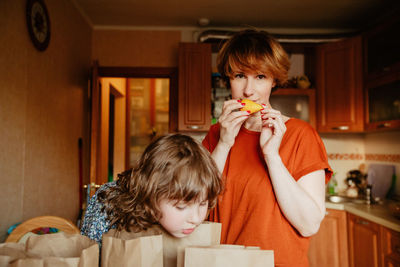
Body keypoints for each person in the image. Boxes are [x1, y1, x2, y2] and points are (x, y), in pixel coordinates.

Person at [202, 29, 332, 267]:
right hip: (221, 262)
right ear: (228, 80)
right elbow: (196, 209)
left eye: (260, 76)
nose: (249, 90)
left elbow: (309, 224)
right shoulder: (216, 135)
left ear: (274, 81)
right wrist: (224, 143)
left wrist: (272, 156)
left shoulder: (301, 135)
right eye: (240, 76)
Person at [81, 133, 222, 244]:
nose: (196, 219)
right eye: (181, 207)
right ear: (152, 194)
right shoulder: (106, 205)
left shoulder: (186, 213)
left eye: (203, 204)